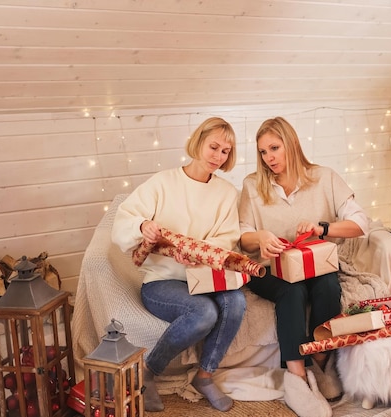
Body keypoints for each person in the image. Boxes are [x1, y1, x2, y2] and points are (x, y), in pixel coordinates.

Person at [111, 117, 246, 413]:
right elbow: (126, 218)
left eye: (225, 151)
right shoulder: (163, 182)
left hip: (205, 276)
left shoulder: (226, 193)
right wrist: (142, 225)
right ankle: (147, 372)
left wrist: (196, 256)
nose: (218, 156)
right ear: (198, 142)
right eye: (213, 147)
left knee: (235, 302)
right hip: (162, 281)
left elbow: (226, 239)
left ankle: (205, 375)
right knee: (203, 313)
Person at [238, 116, 370, 417]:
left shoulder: (324, 177)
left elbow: (360, 223)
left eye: (274, 148)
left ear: (291, 144)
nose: (269, 158)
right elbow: (242, 239)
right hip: (267, 268)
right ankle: (297, 379)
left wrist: (323, 229)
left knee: (327, 286)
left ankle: (322, 362)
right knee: (292, 291)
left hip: (314, 262)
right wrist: (260, 238)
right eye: (262, 152)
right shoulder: (252, 186)